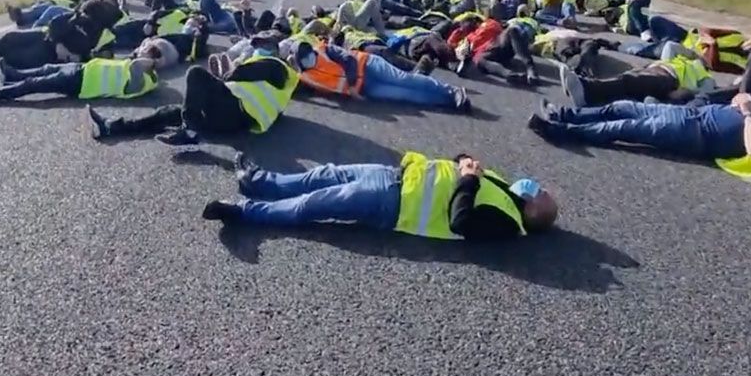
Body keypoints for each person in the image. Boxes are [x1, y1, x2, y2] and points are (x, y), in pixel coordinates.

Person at [200, 151, 559, 242]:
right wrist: (465, 160)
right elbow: (458, 167)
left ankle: (244, 210)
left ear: (533, 211)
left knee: (316, 203)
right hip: (396, 174)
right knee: (324, 174)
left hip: (395, 204)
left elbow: (461, 221)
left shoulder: (507, 222)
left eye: (540, 194)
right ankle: (259, 181)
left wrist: (469, 180)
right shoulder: (502, 186)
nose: (536, 186)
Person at [530, 93, 751, 179]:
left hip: (697, 134)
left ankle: (562, 131)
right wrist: (740, 104)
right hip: (695, 115)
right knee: (621, 107)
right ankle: (564, 113)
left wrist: (747, 113)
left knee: (624, 129)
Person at [87, 45, 314, 146]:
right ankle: (112, 127)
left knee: (195, 73)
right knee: (172, 112)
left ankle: (191, 131)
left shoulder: (275, 64)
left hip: (234, 111)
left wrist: (224, 75)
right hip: (233, 120)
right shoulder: (286, 86)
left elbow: (239, 74)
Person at [297, 41, 471, 111]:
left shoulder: (324, 49)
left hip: (368, 65)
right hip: (366, 87)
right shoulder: (305, 76)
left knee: (405, 79)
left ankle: (453, 91)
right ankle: (450, 103)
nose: (309, 59)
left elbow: (348, 59)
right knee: (407, 95)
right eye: (304, 59)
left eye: (308, 54)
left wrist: (350, 87)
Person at [0, 56, 159, 104]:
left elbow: (134, 66)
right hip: (83, 69)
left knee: (31, 86)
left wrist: (146, 60)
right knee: (46, 68)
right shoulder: (143, 73)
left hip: (80, 82)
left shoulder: (144, 81)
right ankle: (11, 75)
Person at [559, 46, 717, 107]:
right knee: (628, 85)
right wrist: (691, 53)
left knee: (629, 81)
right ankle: (589, 95)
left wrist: (685, 92)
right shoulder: (679, 58)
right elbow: (670, 46)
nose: (701, 56)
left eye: (704, 55)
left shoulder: (706, 76)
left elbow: (704, 93)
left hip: (669, 79)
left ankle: (587, 90)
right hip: (655, 71)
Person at [623, 15, 751, 75]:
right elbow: (706, 30)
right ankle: (653, 40)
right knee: (656, 20)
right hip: (687, 37)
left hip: (692, 54)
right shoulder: (736, 36)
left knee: (659, 48)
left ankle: (617, 46)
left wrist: (712, 45)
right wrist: (707, 38)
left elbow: (714, 65)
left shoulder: (744, 63)